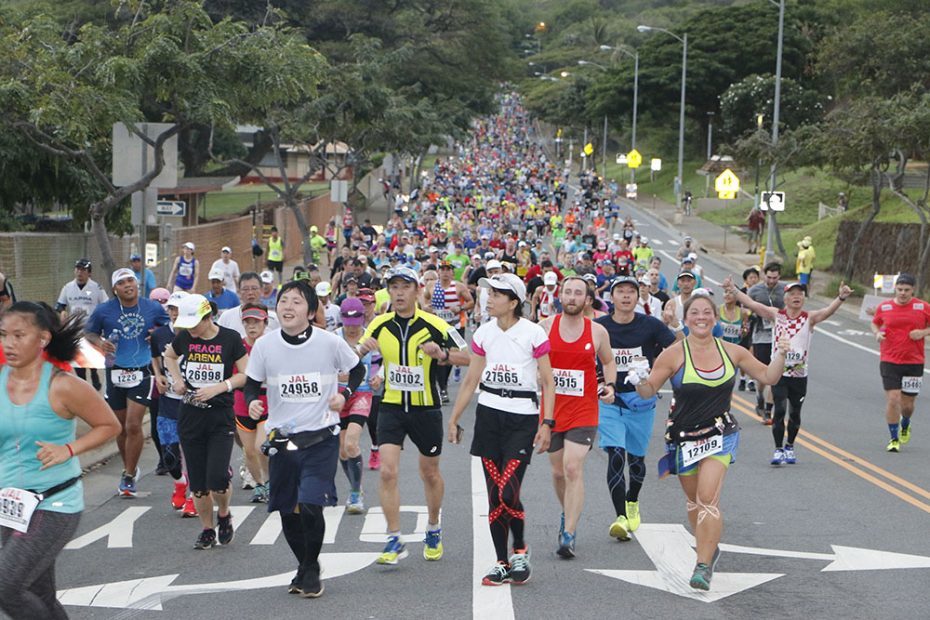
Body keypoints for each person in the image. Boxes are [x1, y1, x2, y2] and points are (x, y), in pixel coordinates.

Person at [628, 294, 789, 591]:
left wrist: (780, 354)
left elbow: (769, 376)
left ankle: (702, 565)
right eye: (695, 313)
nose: (701, 317)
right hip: (683, 438)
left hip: (720, 434)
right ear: (685, 319)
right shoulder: (673, 354)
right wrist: (639, 379)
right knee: (693, 502)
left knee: (707, 497)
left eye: (707, 313)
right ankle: (708, 547)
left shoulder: (733, 352)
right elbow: (649, 391)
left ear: (715, 318)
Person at [245, 280, 366, 598]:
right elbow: (251, 383)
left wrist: (345, 394)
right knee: (288, 510)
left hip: (321, 439)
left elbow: (358, 370)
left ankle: (310, 569)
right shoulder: (265, 346)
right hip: (283, 440)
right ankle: (306, 565)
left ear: (311, 311)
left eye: (297, 302)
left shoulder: (328, 343)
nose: (288, 306)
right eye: (284, 301)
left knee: (311, 505)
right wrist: (253, 402)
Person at [0, 302, 121, 620]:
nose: (8, 343)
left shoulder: (62, 385)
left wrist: (68, 450)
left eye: (18, 335)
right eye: (3, 335)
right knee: (38, 595)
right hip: (10, 504)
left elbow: (110, 425)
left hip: (53, 504)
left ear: (42, 339)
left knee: (6, 587)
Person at [448, 273, 555, 585]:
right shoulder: (483, 333)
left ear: (513, 302)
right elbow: (471, 380)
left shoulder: (533, 333)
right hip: (489, 415)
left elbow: (548, 382)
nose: (489, 299)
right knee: (496, 496)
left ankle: (520, 549)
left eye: (497, 294)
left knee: (509, 490)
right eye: (489, 293)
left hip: (522, 417)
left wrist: (547, 423)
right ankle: (501, 561)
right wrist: (454, 418)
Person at [357, 266, 469, 566]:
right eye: (393, 287)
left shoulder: (436, 325)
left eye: (405, 287)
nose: (399, 293)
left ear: (418, 290)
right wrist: (360, 351)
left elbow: (470, 356)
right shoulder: (379, 324)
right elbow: (353, 355)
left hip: (426, 408)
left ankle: (433, 527)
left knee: (429, 473)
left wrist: (442, 355)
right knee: (387, 471)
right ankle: (394, 538)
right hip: (391, 406)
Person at [726, 278, 851, 464]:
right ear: (785, 299)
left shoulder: (809, 318)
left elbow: (827, 312)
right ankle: (778, 449)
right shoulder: (777, 315)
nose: (796, 297)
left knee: (795, 413)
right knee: (779, 410)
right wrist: (734, 290)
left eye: (800, 294)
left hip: (799, 375)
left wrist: (841, 298)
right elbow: (752, 303)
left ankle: (790, 446)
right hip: (779, 374)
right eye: (792, 294)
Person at [538, 277, 616, 558]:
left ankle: (569, 533)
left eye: (578, 293)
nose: (571, 297)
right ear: (561, 296)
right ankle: (566, 512)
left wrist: (610, 386)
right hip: (552, 410)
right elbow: (532, 362)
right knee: (558, 472)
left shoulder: (597, 332)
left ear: (587, 300)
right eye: (567, 292)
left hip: (584, 410)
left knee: (572, 468)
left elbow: (608, 362)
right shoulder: (545, 328)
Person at [163, 294, 249, 550]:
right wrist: (177, 380)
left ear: (207, 317)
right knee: (198, 484)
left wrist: (219, 387)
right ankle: (207, 529)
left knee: (217, 478)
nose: (191, 331)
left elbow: (246, 374)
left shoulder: (230, 338)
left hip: (219, 416)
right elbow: (169, 356)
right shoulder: (185, 337)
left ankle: (224, 513)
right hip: (190, 416)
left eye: (194, 325)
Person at [596, 276, 678, 541]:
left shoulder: (650, 325)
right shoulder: (599, 328)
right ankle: (620, 517)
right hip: (610, 400)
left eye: (631, 291)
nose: (626, 296)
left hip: (641, 400)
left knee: (636, 459)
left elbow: (676, 349)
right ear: (612, 297)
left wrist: (658, 375)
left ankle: (632, 501)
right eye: (620, 291)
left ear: (637, 297)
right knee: (616, 454)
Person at [85, 268, 168, 497]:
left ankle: (129, 475)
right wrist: (100, 343)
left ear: (137, 283)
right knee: (120, 427)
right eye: (122, 282)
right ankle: (128, 467)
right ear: (115, 288)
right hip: (115, 371)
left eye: (131, 280)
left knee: (133, 424)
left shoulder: (151, 307)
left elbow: (167, 326)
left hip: (142, 370)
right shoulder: (104, 310)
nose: (128, 285)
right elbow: (89, 333)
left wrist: (156, 336)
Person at [870, 273, 930, 452]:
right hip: (889, 359)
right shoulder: (885, 306)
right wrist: (877, 333)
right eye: (900, 289)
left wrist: (923, 332)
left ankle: (906, 422)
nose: (903, 293)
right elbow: (875, 323)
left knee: (908, 404)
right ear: (895, 289)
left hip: (914, 360)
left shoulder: (923, 307)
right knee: (893, 399)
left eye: (907, 290)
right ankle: (894, 438)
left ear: (913, 290)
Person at [150, 291, 198, 517]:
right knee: (169, 456)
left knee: (193, 454)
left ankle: (193, 497)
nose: (174, 313)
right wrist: (157, 375)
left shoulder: (198, 334)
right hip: (168, 402)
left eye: (178, 309)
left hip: (194, 403)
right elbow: (155, 357)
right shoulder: (160, 334)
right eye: (170, 309)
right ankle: (180, 482)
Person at [336, 298, 377, 514]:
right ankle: (356, 486)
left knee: (351, 444)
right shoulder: (334, 338)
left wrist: (380, 376)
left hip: (362, 394)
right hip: (339, 396)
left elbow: (387, 361)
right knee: (342, 451)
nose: (352, 326)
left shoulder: (371, 337)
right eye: (347, 321)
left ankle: (354, 494)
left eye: (356, 321)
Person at [232, 304, 270, 503]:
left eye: (256, 321)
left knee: (261, 445)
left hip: (266, 401)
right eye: (248, 322)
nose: (252, 326)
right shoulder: (238, 346)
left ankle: (270, 480)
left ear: (265, 323)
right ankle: (260, 484)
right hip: (242, 402)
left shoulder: (272, 344)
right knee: (249, 450)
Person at [55, 258, 107, 391]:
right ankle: (83, 384)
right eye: (78, 269)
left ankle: (94, 375)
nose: (80, 272)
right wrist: (62, 312)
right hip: (75, 328)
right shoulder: (68, 287)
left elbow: (105, 305)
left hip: (92, 328)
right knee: (79, 358)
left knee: (92, 355)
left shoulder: (96, 287)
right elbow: (60, 305)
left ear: (89, 273)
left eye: (83, 270)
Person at [430, 260, 474, 404]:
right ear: (439, 271)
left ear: (452, 272)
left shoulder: (459, 286)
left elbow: (471, 302)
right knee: (438, 356)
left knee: (452, 355)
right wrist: (426, 307)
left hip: (455, 326)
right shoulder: (432, 286)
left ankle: (444, 384)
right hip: (437, 326)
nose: (445, 272)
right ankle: (442, 388)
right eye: (442, 269)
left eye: (448, 269)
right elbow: (423, 301)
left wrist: (460, 308)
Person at [747, 263, 785, 424]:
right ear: (764, 275)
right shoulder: (755, 290)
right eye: (769, 277)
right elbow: (746, 308)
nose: (771, 281)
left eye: (775, 278)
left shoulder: (785, 291)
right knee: (763, 374)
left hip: (778, 337)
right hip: (760, 336)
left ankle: (769, 410)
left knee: (775, 375)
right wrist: (751, 315)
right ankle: (759, 395)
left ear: (779, 277)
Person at [217, 272, 281, 336]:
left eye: (254, 288)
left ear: (261, 290)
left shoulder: (273, 318)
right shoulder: (227, 317)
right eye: (245, 289)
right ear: (239, 292)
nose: (250, 292)